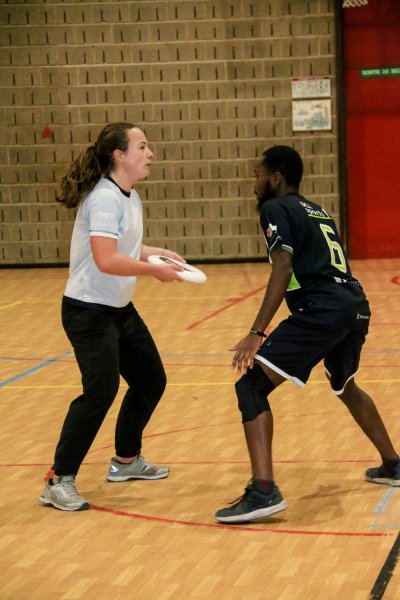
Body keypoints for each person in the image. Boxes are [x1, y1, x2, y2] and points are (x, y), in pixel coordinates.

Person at [215, 145, 399, 524]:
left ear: (276, 178)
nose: (254, 184)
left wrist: (256, 331)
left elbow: (282, 267)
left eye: (258, 175)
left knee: (250, 388)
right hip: (355, 304)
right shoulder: (317, 209)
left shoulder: (274, 208)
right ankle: (394, 465)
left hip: (323, 308)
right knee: (345, 385)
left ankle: (263, 491)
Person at [40, 122, 185, 511]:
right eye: (142, 146)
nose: (150, 153)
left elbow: (125, 248)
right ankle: (59, 479)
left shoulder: (129, 197)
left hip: (118, 310)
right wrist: (154, 271)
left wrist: (158, 253)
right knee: (100, 391)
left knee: (150, 380)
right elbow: (105, 260)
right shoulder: (104, 198)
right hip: (88, 312)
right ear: (119, 156)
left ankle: (125, 461)